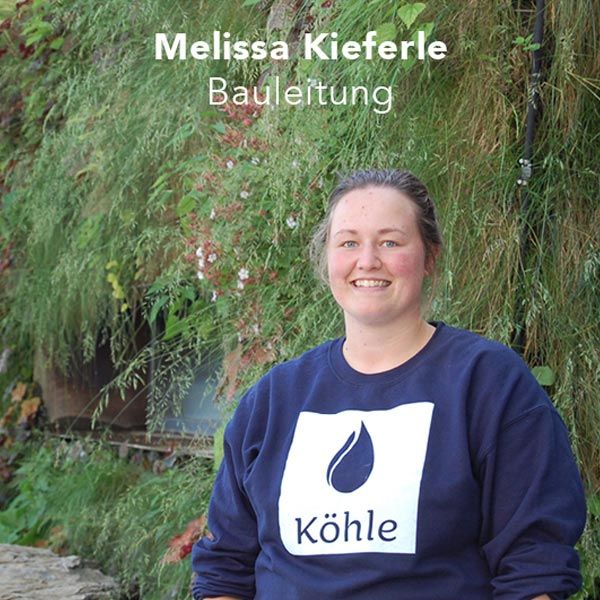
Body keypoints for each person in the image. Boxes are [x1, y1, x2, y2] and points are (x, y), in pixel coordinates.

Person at [191, 169, 587, 600]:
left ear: (429, 257)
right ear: (327, 259)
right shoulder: (273, 400)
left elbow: (534, 568)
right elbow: (224, 569)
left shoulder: (488, 383)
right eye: (348, 243)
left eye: (390, 242)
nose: (367, 261)